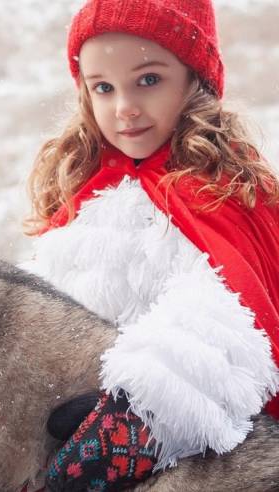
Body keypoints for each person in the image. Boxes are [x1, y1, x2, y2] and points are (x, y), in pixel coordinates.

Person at [21, 0, 279, 490]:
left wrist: (130, 421)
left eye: (148, 80)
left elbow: (227, 324)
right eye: (103, 87)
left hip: (207, 462)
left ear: (193, 80)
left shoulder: (217, 190)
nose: (124, 108)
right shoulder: (92, 192)